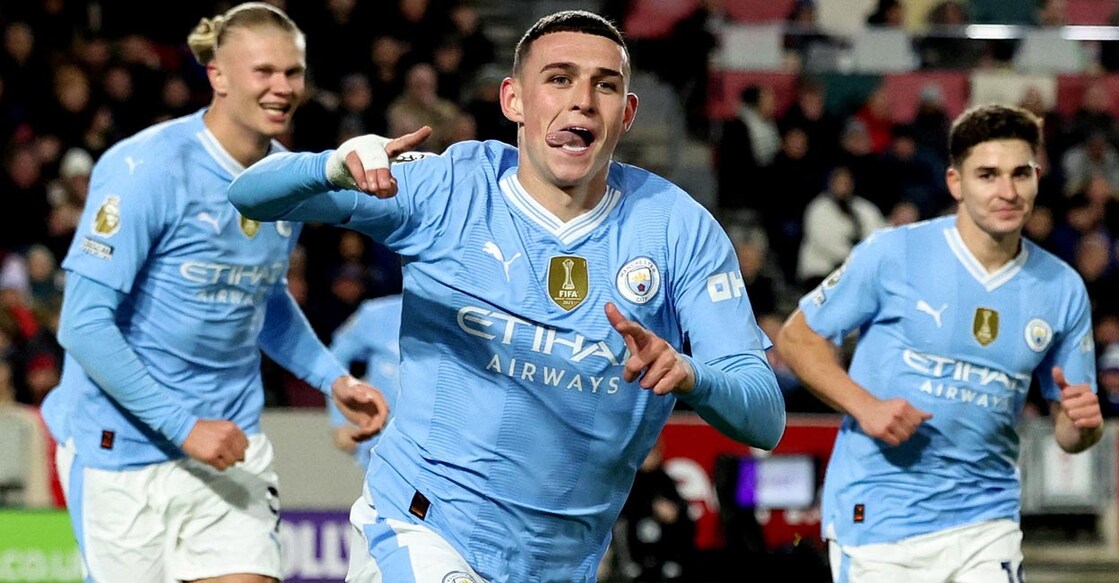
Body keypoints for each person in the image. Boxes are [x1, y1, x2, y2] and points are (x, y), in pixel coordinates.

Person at [229, 10, 785, 582]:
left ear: (627, 114)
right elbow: (249, 193)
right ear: (513, 100)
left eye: (606, 85)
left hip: (562, 563)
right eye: (560, 78)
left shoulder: (677, 230)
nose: (583, 101)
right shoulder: (449, 188)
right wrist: (332, 167)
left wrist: (692, 375)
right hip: (423, 525)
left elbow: (764, 416)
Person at [39, 4, 388, 582]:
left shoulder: (288, 179)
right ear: (218, 76)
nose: (282, 88)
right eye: (264, 72)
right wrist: (183, 428)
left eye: (292, 72)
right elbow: (82, 324)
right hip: (120, 449)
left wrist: (333, 378)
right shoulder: (145, 168)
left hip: (232, 440)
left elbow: (263, 297)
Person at [777, 104, 1103, 582]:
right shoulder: (893, 253)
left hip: (986, 519)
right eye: (988, 175)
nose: (1007, 191)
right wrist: (866, 407)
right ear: (956, 183)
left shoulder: (1062, 288)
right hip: (881, 515)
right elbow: (797, 337)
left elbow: (1071, 433)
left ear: (1037, 177)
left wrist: (1084, 425)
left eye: (1021, 174)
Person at [328, 293, 403, 468]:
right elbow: (335, 360)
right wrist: (341, 419)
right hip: (383, 444)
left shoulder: (465, 316)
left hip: (446, 445)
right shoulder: (377, 314)